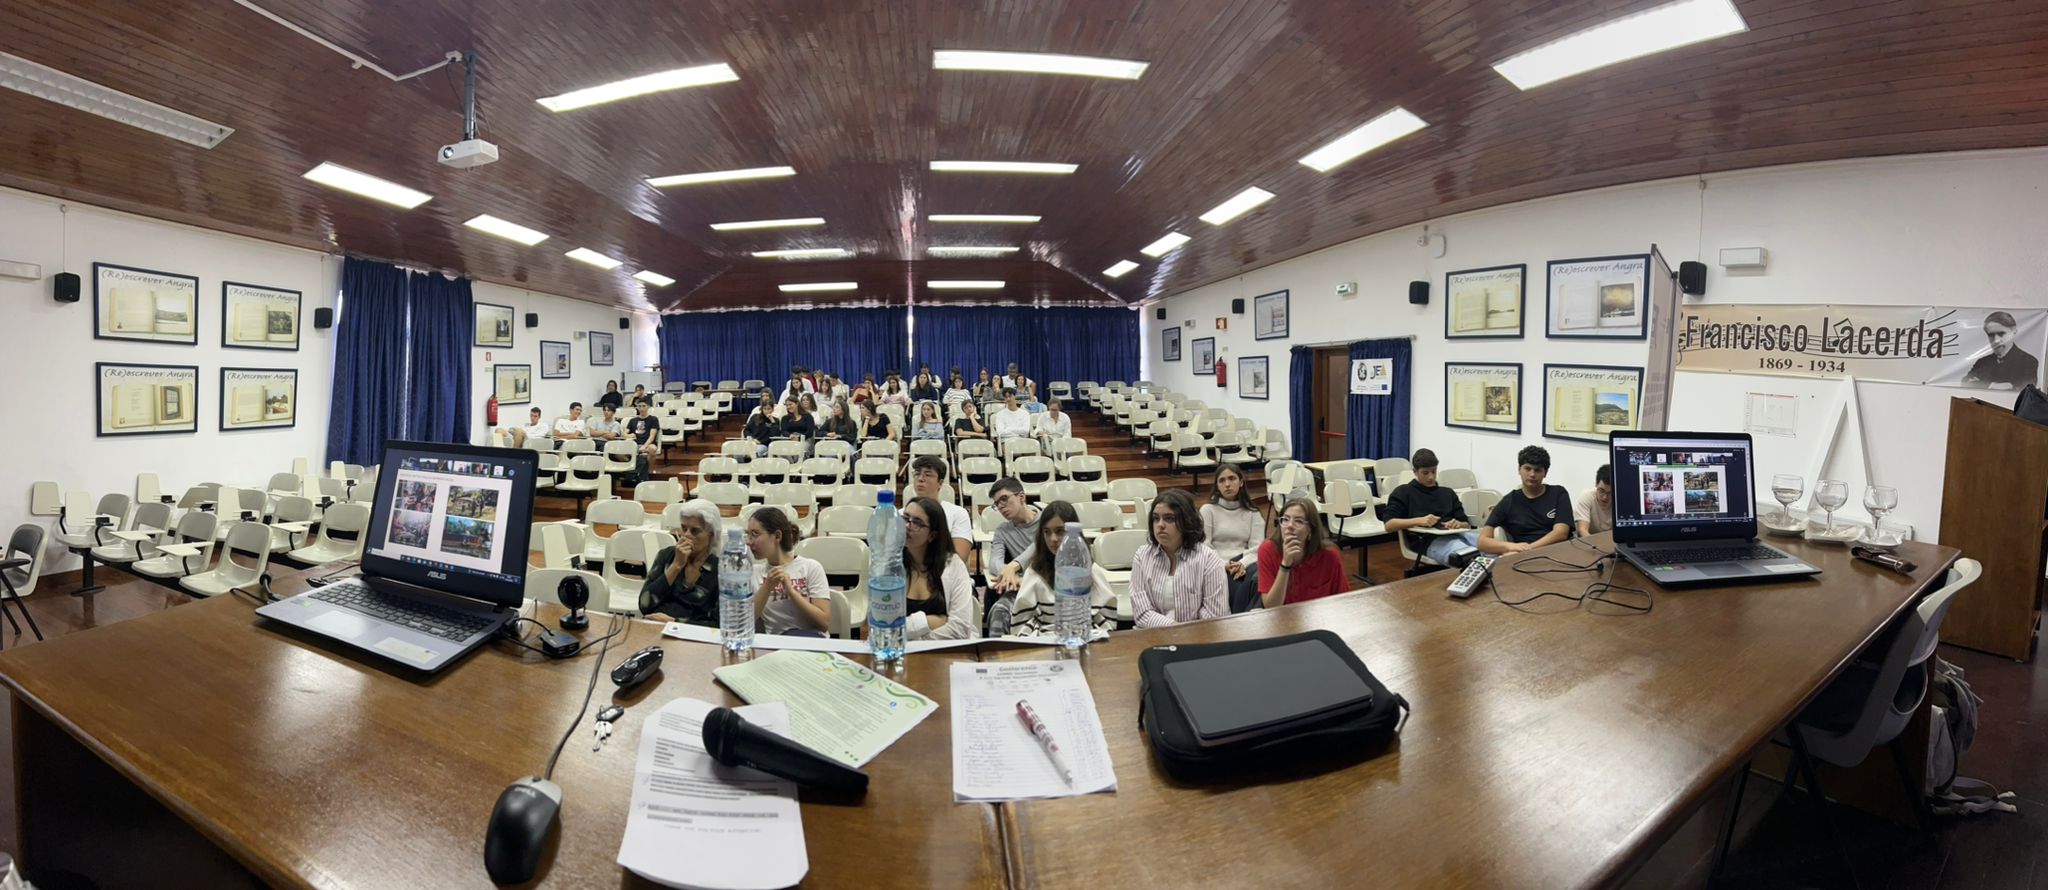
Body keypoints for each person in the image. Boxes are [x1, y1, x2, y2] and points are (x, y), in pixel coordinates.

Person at [1008, 500, 1116, 637]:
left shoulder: (1090, 569)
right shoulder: (1034, 572)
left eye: (1060, 531)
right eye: (1047, 532)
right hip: (1044, 641)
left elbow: (1107, 621)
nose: (1053, 539)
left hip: (1085, 639)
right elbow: (1021, 625)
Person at [1130, 489, 1228, 627]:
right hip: (1153, 633)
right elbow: (1141, 613)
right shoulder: (1142, 556)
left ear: (1186, 521)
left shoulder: (1208, 559)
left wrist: (1182, 634)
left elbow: (1215, 615)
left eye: (1169, 518)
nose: (1160, 525)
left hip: (1199, 636)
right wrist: (1174, 629)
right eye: (1156, 518)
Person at [1385, 448, 1481, 569]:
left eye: (1434, 471)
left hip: (1458, 534)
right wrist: (1419, 521)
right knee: (1467, 556)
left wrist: (1458, 524)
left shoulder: (1447, 493)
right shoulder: (1403, 492)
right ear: (1415, 471)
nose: (1431, 477)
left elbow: (1466, 524)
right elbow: (1389, 525)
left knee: (1492, 547)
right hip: (1427, 541)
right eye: (1425, 473)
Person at [900, 496, 979, 640]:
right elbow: (881, 625)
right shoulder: (891, 564)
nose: (907, 526)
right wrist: (927, 622)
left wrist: (911, 636)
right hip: (900, 651)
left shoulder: (953, 566)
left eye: (917, 523)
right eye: (905, 518)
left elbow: (960, 630)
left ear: (932, 535)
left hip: (946, 651)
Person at [744, 507, 830, 636]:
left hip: (812, 640)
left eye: (755, 534)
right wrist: (767, 587)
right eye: (748, 534)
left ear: (777, 536)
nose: (749, 542)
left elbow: (823, 623)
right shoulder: (754, 573)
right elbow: (745, 623)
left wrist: (792, 593)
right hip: (778, 642)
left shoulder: (811, 567)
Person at [1479, 445, 1574, 554]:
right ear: (1519, 470)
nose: (1532, 474)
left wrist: (1527, 549)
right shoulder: (1509, 501)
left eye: (1537, 470)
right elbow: (1482, 541)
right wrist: (1510, 547)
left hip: (1558, 552)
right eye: (1527, 469)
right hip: (1524, 557)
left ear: (1545, 473)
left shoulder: (1558, 493)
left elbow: (1561, 533)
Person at [639, 501, 721, 625]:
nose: (686, 535)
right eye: (684, 528)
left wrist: (674, 623)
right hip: (655, 627)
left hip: (692, 634)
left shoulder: (720, 569)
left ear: (711, 534)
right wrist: (676, 566)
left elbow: (718, 624)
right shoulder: (667, 556)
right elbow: (644, 605)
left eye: (695, 531)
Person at [1258, 498, 1349, 608]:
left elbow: (1344, 601)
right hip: (1282, 616)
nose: (1289, 526)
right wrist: (1285, 565)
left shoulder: (1330, 556)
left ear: (1310, 529)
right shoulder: (1267, 550)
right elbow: (1270, 606)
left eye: (1298, 521)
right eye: (1285, 519)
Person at [1201, 464, 1266, 612]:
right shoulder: (1208, 510)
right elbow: (1204, 546)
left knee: (1259, 581)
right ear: (1217, 486)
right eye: (1222, 480)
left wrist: (1242, 564)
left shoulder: (1253, 513)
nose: (1227, 484)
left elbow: (1257, 547)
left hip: (1245, 564)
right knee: (1245, 586)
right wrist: (1224, 565)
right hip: (1216, 565)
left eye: (1232, 478)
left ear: (1241, 482)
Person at [908, 456, 973, 564]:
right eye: (917, 474)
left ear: (940, 482)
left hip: (946, 571)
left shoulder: (958, 513)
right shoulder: (903, 514)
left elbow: (960, 558)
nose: (920, 479)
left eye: (927, 475)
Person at [985, 478, 1041, 593]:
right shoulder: (1002, 531)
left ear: (1021, 497)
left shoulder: (1047, 520)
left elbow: (1040, 544)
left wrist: (1013, 566)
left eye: (1004, 499)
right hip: (1021, 585)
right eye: (996, 503)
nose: (1000, 506)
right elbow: (994, 561)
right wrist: (1007, 572)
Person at [1963, 310, 2039, 390]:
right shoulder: (1982, 362)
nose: (1996, 340)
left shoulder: (2028, 362)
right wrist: (1992, 385)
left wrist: (1981, 383)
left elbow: (2025, 389)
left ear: (2014, 332)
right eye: (1991, 335)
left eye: (2001, 334)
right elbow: (1965, 382)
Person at [625, 402, 661, 480]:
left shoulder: (653, 419)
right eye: (639, 406)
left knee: (653, 449)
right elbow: (624, 433)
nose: (641, 408)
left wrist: (644, 446)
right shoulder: (632, 420)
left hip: (647, 444)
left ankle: (645, 469)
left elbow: (652, 436)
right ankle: (634, 467)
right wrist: (629, 435)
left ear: (648, 407)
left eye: (644, 406)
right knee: (619, 453)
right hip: (634, 444)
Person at [1576, 464, 1614, 537]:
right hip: (1591, 541)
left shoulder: (1620, 501)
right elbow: (1582, 530)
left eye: (1610, 493)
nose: (1605, 497)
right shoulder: (1586, 497)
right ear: (1596, 484)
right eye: (1601, 491)